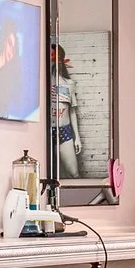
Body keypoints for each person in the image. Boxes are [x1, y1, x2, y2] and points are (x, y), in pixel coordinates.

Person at [50, 43, 82, 177]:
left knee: (74, 173)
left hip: (64, 131)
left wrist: (77, 137)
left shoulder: (69, 83)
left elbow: (72, 111)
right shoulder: (41, 85)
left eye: (55, 56)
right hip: (46, 132)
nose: (53, 60)